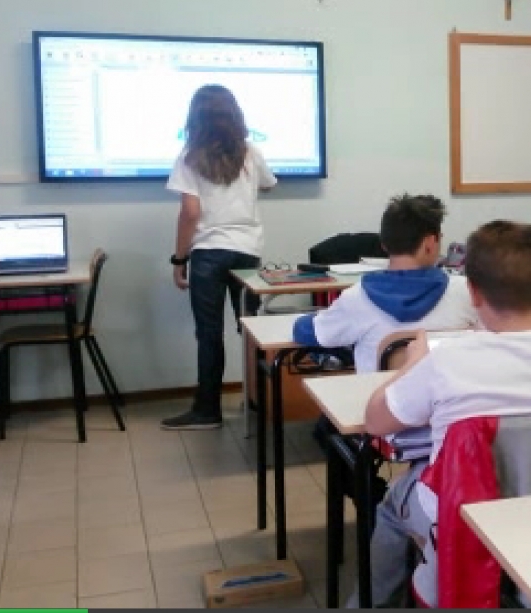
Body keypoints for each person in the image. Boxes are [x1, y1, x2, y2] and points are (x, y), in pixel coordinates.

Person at [358, 220, 531, 607]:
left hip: (467, 519)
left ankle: (372, 603)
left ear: (473, 294)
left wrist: (412, 363)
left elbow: (375, 422)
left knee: (393, 503)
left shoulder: (446, 361)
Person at [164, 85, 276, 430]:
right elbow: (270, 184)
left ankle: (208, 409)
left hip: (209, 254)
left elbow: (190, 212)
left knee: (209, 334)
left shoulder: (189, 157)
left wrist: (179, 260)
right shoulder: (251, 153)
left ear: (195, 119)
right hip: (246, 251)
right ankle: (260, 402)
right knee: (251, 330)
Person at [292, 194, 476, 374]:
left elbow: (305, 332)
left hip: (379, 402)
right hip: (450, 402)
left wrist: (322, 314)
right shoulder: (469, 292)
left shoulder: (357, 299)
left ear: (384, 244)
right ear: (430, 243)